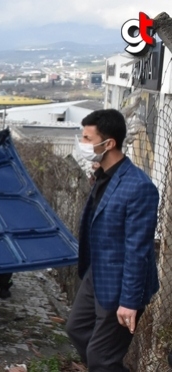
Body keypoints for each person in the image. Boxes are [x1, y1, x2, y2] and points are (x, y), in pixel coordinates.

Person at [65, 109, 159, 371]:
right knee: (76, 329)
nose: (82, 144)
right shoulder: (103, 176)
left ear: (109, 143)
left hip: (122, 282)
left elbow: (138, 250)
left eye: (87, 137)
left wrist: (129, 301)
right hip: (97, 272)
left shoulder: (139, 187)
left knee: (101, 356)